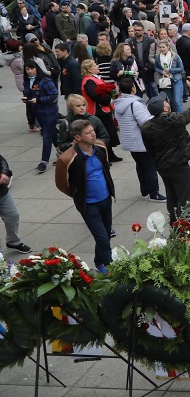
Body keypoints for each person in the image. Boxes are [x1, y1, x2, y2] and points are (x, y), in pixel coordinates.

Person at [54, 120, 116, 272]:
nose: (93, 134)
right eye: (88, 133)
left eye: (92, 130)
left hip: (106, 199)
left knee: (106, 234)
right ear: (78, 138)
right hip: (89, 205)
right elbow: (61, 184)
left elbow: (105, 168)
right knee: (102, 238)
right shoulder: (66, 159)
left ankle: (98, 261)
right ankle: (112, 269)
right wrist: (77, 195)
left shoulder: (101, 147)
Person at [140, 76, 190, 224]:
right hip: (179, 166)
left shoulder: (146, 127)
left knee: (172, 197)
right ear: (165, 108)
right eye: (165, 102)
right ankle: (185, 230)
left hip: (163, 167)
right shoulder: (174, 119)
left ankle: (175, 226)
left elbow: (148, 149)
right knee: (184, 199)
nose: (167, 102)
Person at [114, 77, 165, 202]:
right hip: (141, 141)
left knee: (140, 166)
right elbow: (145, 122)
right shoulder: (135, 104)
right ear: (133, 88)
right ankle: (154, 193)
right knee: (149, 166)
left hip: (130, 141)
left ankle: (145, 191)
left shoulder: (119, 104)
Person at [21, 61, 60, 174]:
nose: (30, 71)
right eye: (27, 69)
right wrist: (26, 98)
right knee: (52, 134)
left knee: (46, 136)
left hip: (49, 112)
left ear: (37, 69)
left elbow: (54, 95)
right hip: (38, 113)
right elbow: (28, 93)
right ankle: (64, 151)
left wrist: (38, 100)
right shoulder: (27, 81)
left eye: (32, 68)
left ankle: (43, 162)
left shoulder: (45, 80)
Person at [0, 151, 32, 254]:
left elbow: (2, 160)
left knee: (13, 215)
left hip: (1, 192)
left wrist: (5, 173)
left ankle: (13, 241)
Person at [154, 39, 186, 113]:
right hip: (166, 81)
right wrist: (162, 71)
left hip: (176, 80)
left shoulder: (175, 56)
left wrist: (170, 70)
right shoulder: (158, 57)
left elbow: (181, 68)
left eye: (163, 47)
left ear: (168, 47)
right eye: (160, 47)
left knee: (178, 101)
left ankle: (182, 118)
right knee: (172, 101)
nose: (161, 49)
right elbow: (156, 68)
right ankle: (174, 117)